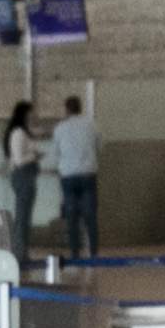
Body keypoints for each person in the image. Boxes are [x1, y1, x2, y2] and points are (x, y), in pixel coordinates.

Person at [50, 94, 99, 260]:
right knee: (90, 215)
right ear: (80, 108)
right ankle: (93, 252)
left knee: (71, 216)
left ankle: (75, 253)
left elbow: (55, 154)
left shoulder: (60, 128)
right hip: (87, 173)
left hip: (68, 176)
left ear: (67, 109)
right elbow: (100, 146)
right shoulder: (91, 125)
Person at [0, 98, 40, 264]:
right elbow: (18, 160)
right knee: (22, 217)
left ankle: (22, 252)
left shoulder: (23, 132)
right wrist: (35, 156)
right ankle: (18, 254)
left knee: (25, 216)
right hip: (23, 176)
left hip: (26, 176)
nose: (33, 115)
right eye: (31, 113)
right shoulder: (18, 133)